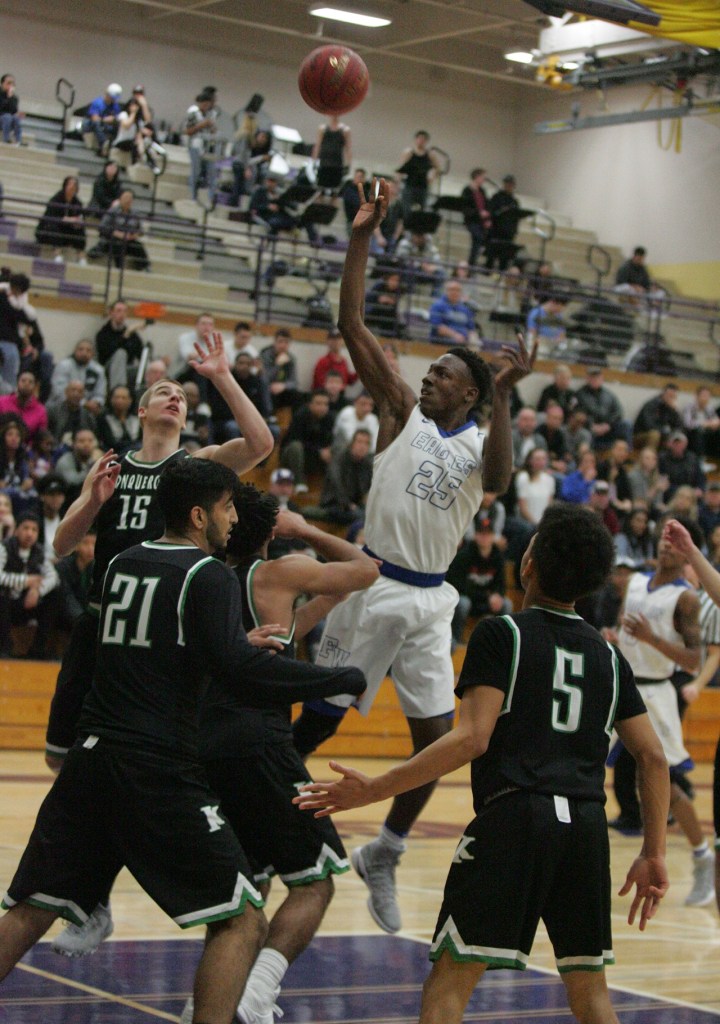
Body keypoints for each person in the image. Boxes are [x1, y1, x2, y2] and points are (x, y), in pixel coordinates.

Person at [0, 457, 366, 1020]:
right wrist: (335, 678)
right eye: (225, 507)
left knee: (30, 910)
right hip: (155, 766)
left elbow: (142, 648)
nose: (231, 517)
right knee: (243, 917)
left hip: (92, 757)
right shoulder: (207, 574)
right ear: (200, 515)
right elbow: (240, 672)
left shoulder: (121, 562)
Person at [296, 504, 670, 1024]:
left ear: (529, 564)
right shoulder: (610, 657)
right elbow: (652, 756)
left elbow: (471, 738)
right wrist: (654, 851)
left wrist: (376, 788)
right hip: (584, 829)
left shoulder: (503, 634)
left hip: (514, 819)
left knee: (450, 984)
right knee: (592, 995)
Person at [291, 177, 536, 934]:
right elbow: (351, 319)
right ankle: (276, 815)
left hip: (431, 599)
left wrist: (502, 398)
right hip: (369, 582)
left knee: (439, 746)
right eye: (429, 372)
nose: (428, 378)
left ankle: (387, 850)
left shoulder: (478, 439)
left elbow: (497, 479)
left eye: (444, 376)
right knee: (312, 730)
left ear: (470, 396)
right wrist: (362, 232)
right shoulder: (401, 409)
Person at [43, 333, 275, 956]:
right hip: (102, 628)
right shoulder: (114, 467)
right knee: (65, 764)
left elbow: (259, 445)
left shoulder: (193, 470)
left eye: (180, 393)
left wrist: (224, 376)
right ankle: (92, 902)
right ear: (141, 412)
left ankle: (98, 898)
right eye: (161, 392)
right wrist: (92, 502)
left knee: (135, 769)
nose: (173, 396)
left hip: (159, 642)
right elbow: (63, 546)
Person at [179, 487, 377, 1024]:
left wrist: (319, 605)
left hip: (207, 744)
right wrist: (307, 530)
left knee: (246, 890)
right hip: (259, 741)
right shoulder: (280, 570)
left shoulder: (210, 579)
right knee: (316, 880)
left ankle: (208, 1000)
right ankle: (256, 992)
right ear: (270, 531)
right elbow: (367, 570)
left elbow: (277, 638)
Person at [614, 514, 715, 906]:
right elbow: (625, 633)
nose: (665, 544)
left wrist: (651, 639)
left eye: (675, 541)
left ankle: (701, 855)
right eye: (663, 538)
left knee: (667, 787)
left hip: (656, 695)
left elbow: (692, 660)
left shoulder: (686, 598)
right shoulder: (635, 582)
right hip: (622, 685)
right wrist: (615, 636)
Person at [0, 511, 59, 659]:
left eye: (34, 530)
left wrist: (37, 590)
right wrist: (27, 581)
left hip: (27, 602)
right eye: (26, 528)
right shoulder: (4, 548)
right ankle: (5, 648)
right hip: (7, 603)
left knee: (55, 595)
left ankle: (37, 649)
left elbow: (53, 577)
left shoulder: (39, 551)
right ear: (16, 530)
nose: (30, 534)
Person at [94, 299, 144, 391]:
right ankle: (118, 392)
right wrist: (125, 336)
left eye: (124, 311)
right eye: (118, 311)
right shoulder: (103, 333)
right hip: (108, 369)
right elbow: (107, 353)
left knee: (152, 366)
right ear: (111, 313)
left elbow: (141, 355)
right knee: (121, 353)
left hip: (128, 369)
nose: (122, 314)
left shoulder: (132, 334)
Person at [95, 189, 150, 272]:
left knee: (138, 246)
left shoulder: (135, 213)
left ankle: (145, 267)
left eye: (130, 198)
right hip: (114, 238)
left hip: (129, 240)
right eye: (126, 198)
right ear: (120, 199)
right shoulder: (113, 211)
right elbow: (102, 226)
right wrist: (116, 233)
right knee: (118, 245)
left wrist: (135, 235)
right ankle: (119, 268)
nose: (128, 200)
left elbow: (140, 230)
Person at [35, 177, 86, 264]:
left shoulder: (77, 203)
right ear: (65, 186)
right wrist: (68, 219)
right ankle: (58, 255)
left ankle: (81, 257)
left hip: (66, 232)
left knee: (80, 230)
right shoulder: (56, 199)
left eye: (74, 186)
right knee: (53, 226)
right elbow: (50, 218)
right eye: (70, 185)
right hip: (47, 231)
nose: (72, 187)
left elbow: (80, 217)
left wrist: (77, 222)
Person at [50, 338, 106, 416]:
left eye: (88, 350)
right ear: (75, 351)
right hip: (62, 406)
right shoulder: (64, 365)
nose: (84, 353)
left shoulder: (98, 370)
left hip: (89, 409)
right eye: (81, 349)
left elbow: (100, 394)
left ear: (93, 354)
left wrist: (96, 403)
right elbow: (59, 392)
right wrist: (84, 403)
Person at [397, 130, 440, 219]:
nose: (421, 141)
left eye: (423, 140)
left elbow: (438, 168)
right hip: (409, 184)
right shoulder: (409, 152)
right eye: (419, 139)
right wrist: (398, 181)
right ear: (416, 140)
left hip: (423, 186)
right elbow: (400, 168)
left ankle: (417, 230)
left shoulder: (430, 154)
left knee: (421, 209)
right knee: (406, 209)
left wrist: (431, 178)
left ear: (426, 141)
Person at [185, 90, 218, 201]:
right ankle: (193, 196)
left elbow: (214, 131)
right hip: (195, 145)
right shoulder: (193, 114)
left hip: (207, 146)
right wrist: (201, 125)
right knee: (196, 171)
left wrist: (212, 127)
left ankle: (209, 198)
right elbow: (188, 131)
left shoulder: (211, 115)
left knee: (211, 172)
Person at [0, 369, 48, 443]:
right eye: (23, 381)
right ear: (17, 383)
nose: (26, 384)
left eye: (30, 382)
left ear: (35, 387)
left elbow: (40, 437)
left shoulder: (41, 411)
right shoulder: (2, 402)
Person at [485, 175, 522, 271]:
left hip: (508, 233)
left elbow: (516, 218)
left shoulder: (514, 202)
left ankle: (501, 274)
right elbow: (491, 212)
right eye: (507, 184)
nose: (509, 186)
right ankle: (488, 272)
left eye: (511, 185)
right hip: (496, 231)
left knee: (504, 259)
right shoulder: (496, 197)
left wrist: (514, 231)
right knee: (491, 257)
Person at [429, 279, 476, 346]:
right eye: (452, 289)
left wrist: (473, 339)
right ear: (446, 291)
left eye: (457, 290)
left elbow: (471, 329)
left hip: (463, 339)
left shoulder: (465, 309)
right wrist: (455, 335)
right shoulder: (438, 305)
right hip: (444, 339)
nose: (455, 292)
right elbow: (438, 327)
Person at [460, 168, 491, 267]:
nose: (484, 180)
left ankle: (474, 262)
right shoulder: (467, 190)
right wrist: (479, 213)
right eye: (483, 177)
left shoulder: (482, 190)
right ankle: (471, 263)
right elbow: (466, 207)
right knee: (477, 239)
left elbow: (486, 205)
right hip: (472, 220)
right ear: (477, 177)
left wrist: (487, 219)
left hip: (481, 221)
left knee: (480, 241)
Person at [313, 115, 351, 190]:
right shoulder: (323, 129)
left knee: (335, 190)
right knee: (320, 188)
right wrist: (313, 161)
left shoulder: (345, 130)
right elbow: (318, 146)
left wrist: (348, 164)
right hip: (324, 163)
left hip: (337, 164)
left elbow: (348, 148)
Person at [83, 83, 122, 154]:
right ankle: (104, 143)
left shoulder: (115, 106)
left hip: (105, 125)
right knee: (96, 123)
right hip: (91, 125)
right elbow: (94, 118)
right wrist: (105, 119)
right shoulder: (97, 102)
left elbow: (117, 117)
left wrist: (114, 120)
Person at [0, 73, 24, 145]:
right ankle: (6, 139)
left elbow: (14, 111)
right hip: (2, 118)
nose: (11, 85)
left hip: (8, 120)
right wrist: (8, 98)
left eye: (12, 83)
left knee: (16, 118)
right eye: (8, 83)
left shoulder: (14, 98)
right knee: (7, 116)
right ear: (2, 84)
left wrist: (18, 114)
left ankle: (18, 140)